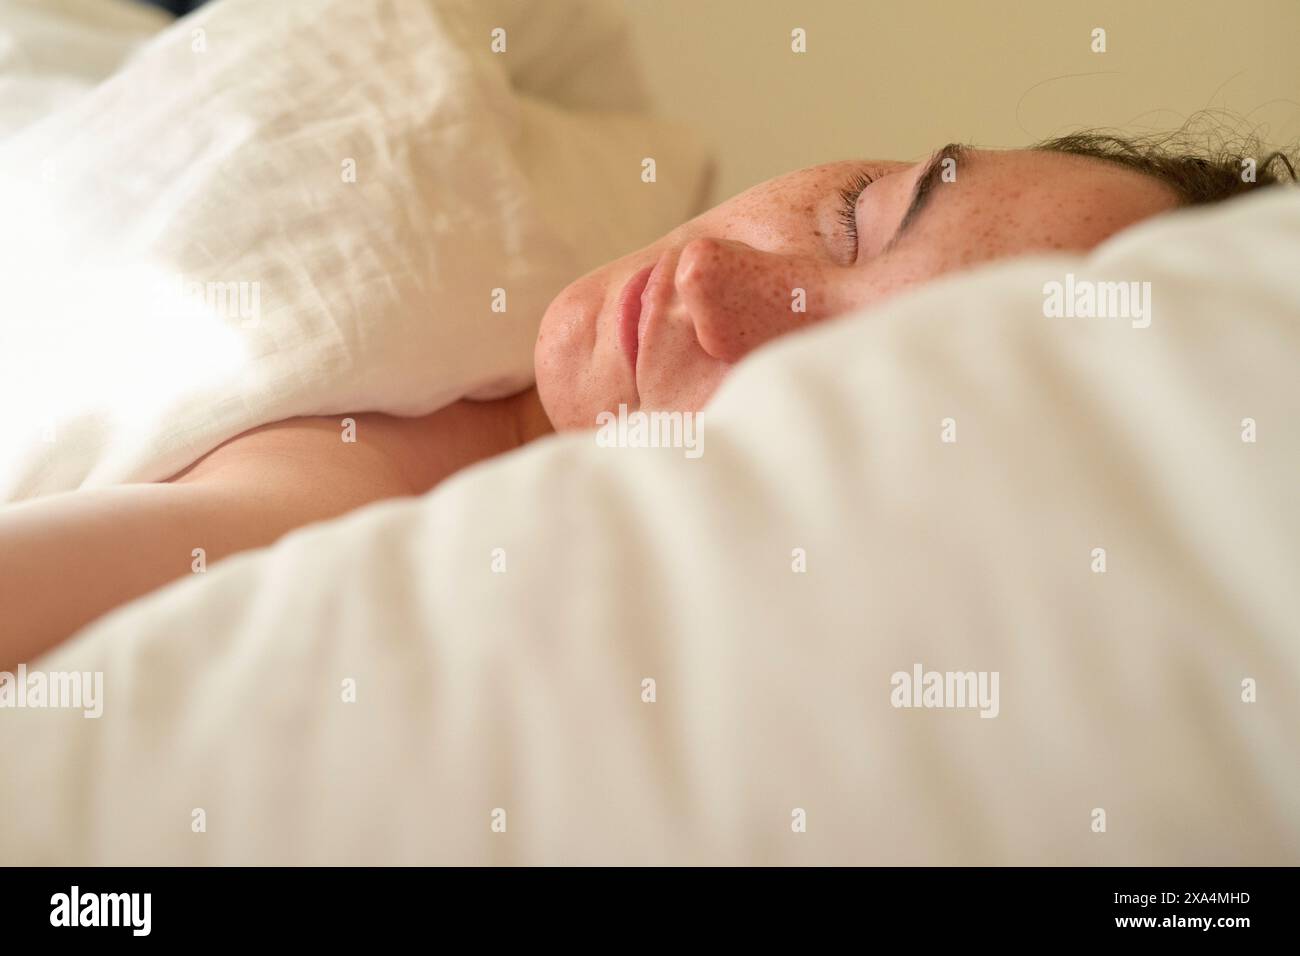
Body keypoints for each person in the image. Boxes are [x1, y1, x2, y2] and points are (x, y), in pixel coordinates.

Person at [0, 134, 1293, 667]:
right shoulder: (577, 161)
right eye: (860, 212)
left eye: (818, 388)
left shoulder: (336, 525)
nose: (713, 284)